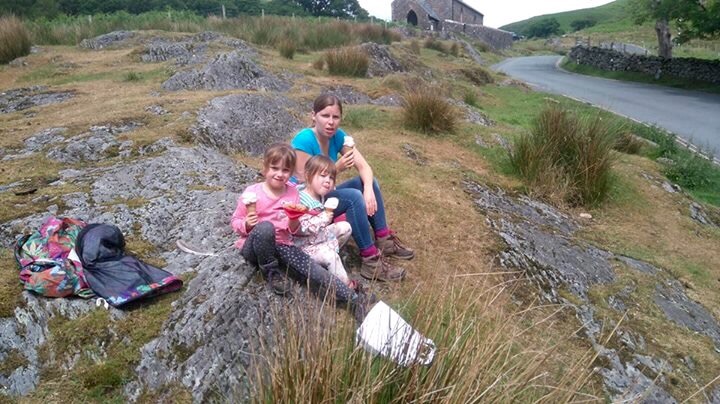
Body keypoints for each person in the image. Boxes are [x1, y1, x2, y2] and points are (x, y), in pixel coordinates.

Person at [231, 143, 372, 322]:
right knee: (266, 228)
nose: (279, 174)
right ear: (265, 168)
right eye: (274, 168)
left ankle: (354, 299)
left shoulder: (292, 193)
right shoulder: (253, 192)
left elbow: (294, 230)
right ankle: (271, 271)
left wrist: (294, 220)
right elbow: (235, 222)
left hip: (283, 244)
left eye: (285, 170)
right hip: (255, 245)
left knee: (313, 269)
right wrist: (246, 224)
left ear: (290, 172)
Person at [291, 94, 414, 283]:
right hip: (307, 205)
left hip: (323, 195)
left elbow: (365, 167)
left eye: (336, 117)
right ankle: (371, 262)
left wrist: (369, 190)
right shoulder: (304, 140)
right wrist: (336, 168)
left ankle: (384, 240)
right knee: (354, 197)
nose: (331, 122)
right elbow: (306, 182)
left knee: (368, 183)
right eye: (325, 116)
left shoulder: (338, 136)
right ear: (313, 116)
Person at [294, 155, 354, 289]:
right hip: (303, 246)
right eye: (323, 175)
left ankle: (327, 265)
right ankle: (346, 288)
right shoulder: (301, 200)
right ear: (308, 175)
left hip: (317, 238)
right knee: (330, 255)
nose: (328, 181)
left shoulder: (320, 196)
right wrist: (324, 218)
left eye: (331, 178)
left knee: (346, 227)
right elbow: (301, 229)